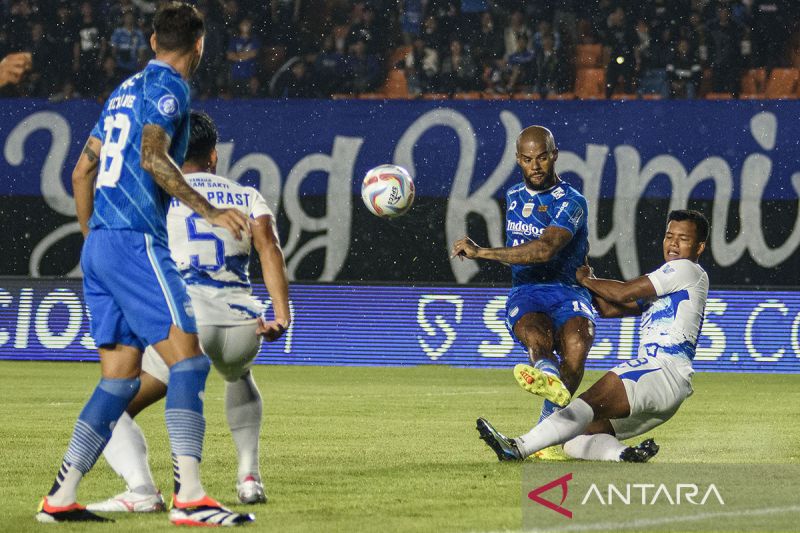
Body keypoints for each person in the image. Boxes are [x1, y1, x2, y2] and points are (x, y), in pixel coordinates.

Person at [37, 3, 254, 526]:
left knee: (119, 380)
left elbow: (81, 171)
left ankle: (60, 499)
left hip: (103, 244)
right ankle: (191, 498)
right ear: (199, 46)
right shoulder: (170, 88)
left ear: (153, 40)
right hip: (137, 240)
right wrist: (210, 210)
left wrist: (94, 241)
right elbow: (153, 158)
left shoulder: (120, 94)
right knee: (190, 362)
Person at [86, 111, 291, 513]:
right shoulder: (248, 196)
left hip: (185, 322)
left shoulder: (157, 194)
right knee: (239, 375)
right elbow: (270, 250)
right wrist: (283, 316)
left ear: (176, 153)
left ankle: (142, 489)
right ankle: (249, 477)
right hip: (242, 324)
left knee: (112, 408)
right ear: (214, 156)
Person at [476, 210, 709, 463]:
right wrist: (575, 279)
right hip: (669, 391)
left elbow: (623, 292)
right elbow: (609, 308)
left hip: (658, 370)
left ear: (700, 246)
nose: (673, 243)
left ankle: (517, 447)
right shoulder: (672, 283)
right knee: (574, 438)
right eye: (669, 236)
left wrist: (585, 279)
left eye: (683, 239)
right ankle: (624, 455)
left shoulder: (685, 269)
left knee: (582, 406)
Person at [451, 125, 595, 460]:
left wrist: (482, 252)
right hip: (527, 291)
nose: (536, 165)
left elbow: (545, 249)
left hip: (566, 290)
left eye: (542, 157)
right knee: (535, 335)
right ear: (518, 159)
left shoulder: (573, 202)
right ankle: (545, 372)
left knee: (577, 346)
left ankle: (544, 433)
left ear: (554, 155)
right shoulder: (515, 195)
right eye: (528, 159)